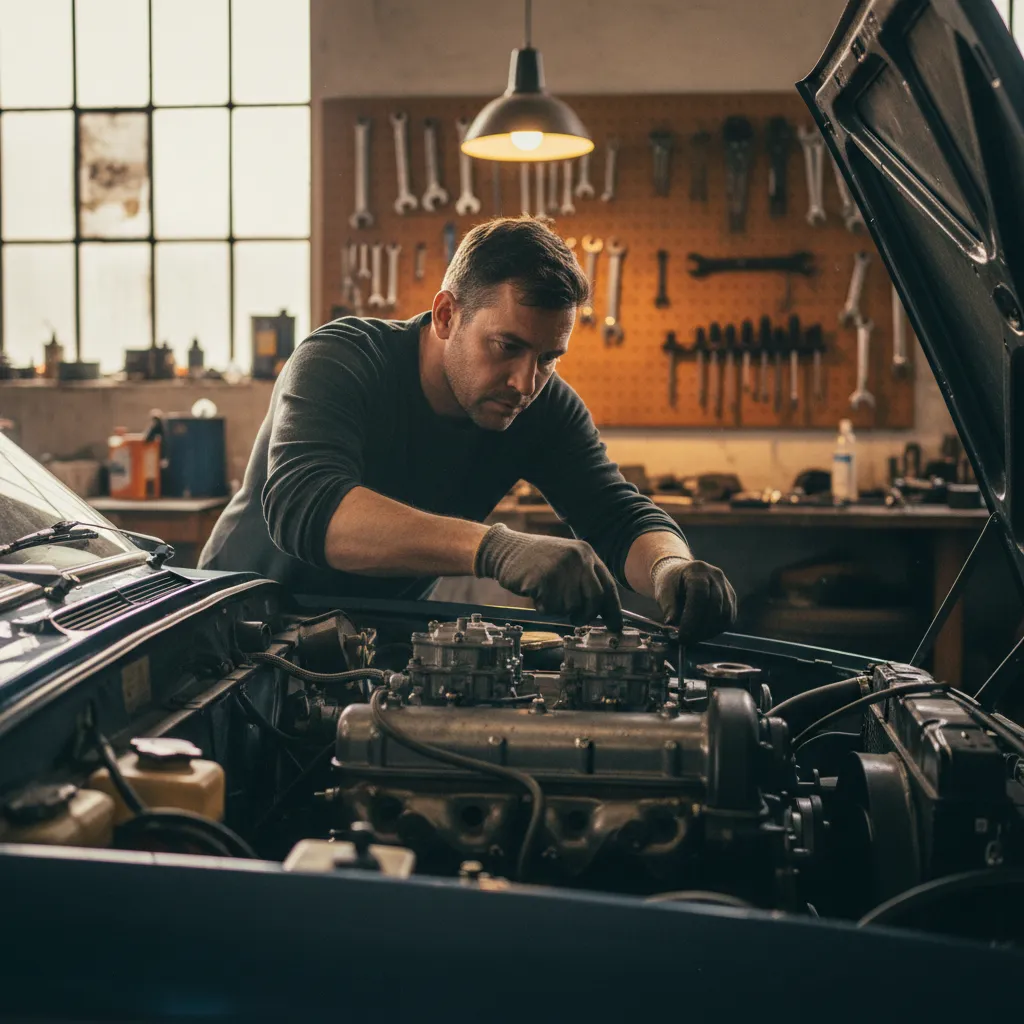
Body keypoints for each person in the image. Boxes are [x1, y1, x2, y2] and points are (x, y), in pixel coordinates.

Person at [200, 217, 736, 641]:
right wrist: (499, 549)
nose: (526, 382)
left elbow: (616, 514)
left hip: (373, 635)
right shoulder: (341, 358)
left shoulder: (542, 405)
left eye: (548, 357)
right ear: (446, 315)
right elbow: (307, 509)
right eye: (507, 346)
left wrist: (670, 567)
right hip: (239, 624)